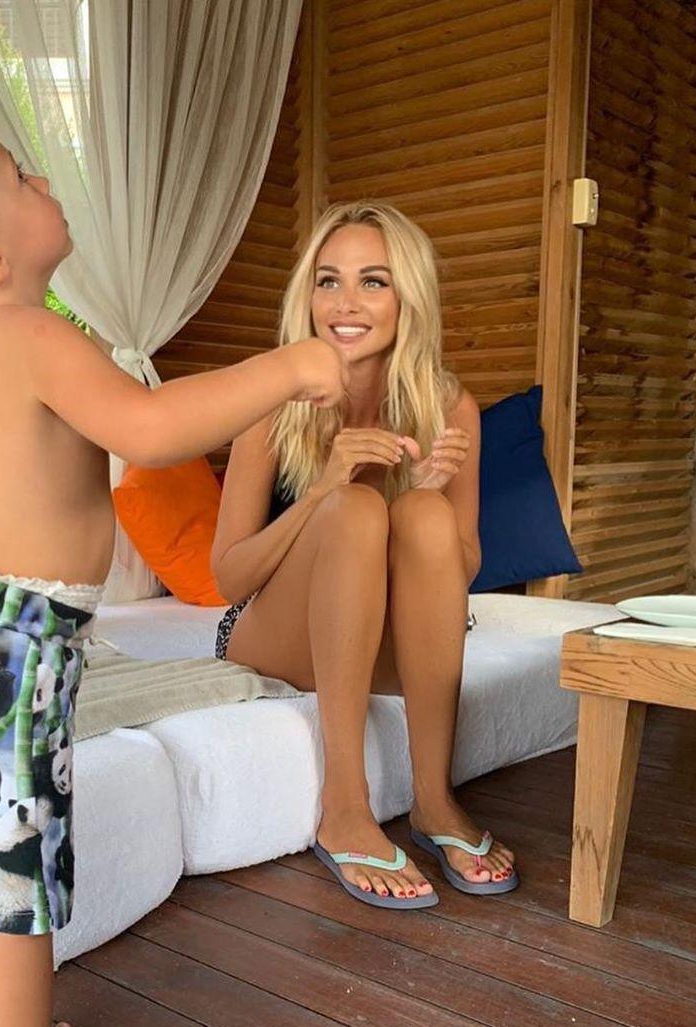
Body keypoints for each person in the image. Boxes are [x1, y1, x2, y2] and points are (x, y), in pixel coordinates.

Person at [0, 90, 346, 1027]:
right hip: (2, 664)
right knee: (14, 909)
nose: (44, 179)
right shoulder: (29, 335)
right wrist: (290, 367)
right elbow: (150, 428)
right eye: (19, 176)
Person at [211, 200, 518, 910]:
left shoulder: (449, 405)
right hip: (272, 633)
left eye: (372, 282)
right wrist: (324, 488)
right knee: (351, 507)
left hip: (374, 636)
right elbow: (229, 577)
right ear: (308, 295)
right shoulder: (273, 399)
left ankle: (435, 800)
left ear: (408, 296)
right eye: (329, 281)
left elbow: (463, 566)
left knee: (425, 515)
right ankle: (344, 805)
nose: (345, 303)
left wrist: (424, 492)